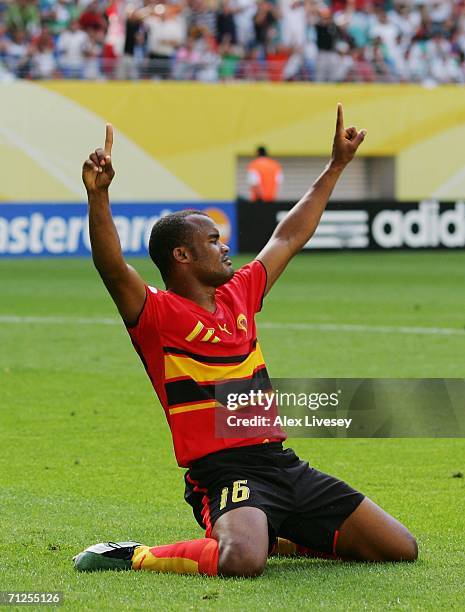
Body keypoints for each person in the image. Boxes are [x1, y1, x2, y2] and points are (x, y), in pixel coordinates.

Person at [74, 105, 418, 577]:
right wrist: (99, 196)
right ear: (182, 256)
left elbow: (288, 235)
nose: (225, 246)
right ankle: (133, 554)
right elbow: (112, 266)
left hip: (281, 463)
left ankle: (281, 536)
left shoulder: (240, 293)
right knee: (242, 562)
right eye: (213, 240)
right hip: (224, 473)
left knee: (399, 548)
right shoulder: (156, 314)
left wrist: (337, 165)